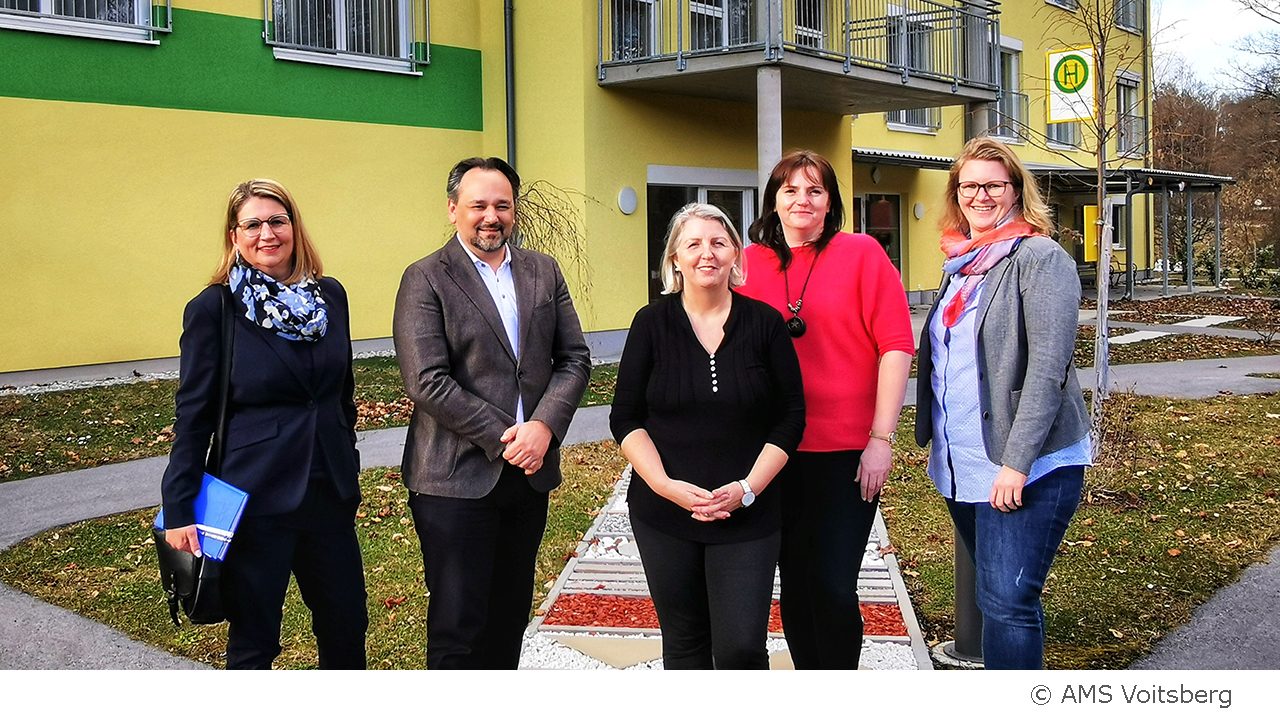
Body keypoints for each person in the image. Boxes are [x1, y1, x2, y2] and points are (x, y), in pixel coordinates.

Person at [160, 179, 367, 669]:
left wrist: (349, 463)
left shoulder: (330, 298)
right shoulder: (214, 309)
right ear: (234, 236)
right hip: (254, 501)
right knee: (255, 642)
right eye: (252, 224)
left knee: (346, 627)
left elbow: (342, 396)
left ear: (295, 227)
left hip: (328, 496)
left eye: (278, 220)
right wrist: (178, 507)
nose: (267, 233)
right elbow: (193, 416)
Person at [393, 157, 591, 670]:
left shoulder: (542, 270)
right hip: (454, 479)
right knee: (459, 627)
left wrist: (544, 427)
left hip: (527, 476)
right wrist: (510, 436)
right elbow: (426, 380)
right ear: (453, 208)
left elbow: (574, 358)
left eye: (502, 205)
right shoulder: (426, 278)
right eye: (478, 204)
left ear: (514, 210)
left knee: (507, 620)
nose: (491, 216)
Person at [915, 136, 1090, 670]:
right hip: (963, 462)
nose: (980, 195)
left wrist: (1016, 464)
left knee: (1008, 603)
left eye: (993, 184)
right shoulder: (963, 264)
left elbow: (1048, 368)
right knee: (995, 596)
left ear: (1016, 189)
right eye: (969, 185)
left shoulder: (1038, 257)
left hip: (1021, 465)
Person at [737, 150, 915, 669]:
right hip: (773, 453)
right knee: (793, 585)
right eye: (790, 190)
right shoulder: (748, 264)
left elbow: (896, 347)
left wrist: (881, 440)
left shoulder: (862, 253)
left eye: (815, 190)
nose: (802, 201)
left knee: (833, 584)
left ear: (831, 201)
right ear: (774, 199)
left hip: (846, 453)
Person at [609, 203, 805, 670]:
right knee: (685, 645)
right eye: (693, 244)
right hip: (665, 514)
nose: (706, 254)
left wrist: (748, 489)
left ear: (735, 254)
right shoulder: (650, 324)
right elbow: (625, 417)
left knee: (740, 648)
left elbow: (791, 416)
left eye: (718, 242)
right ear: (675, 258)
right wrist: (663, 485)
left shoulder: (765, 324)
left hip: (747, 516)